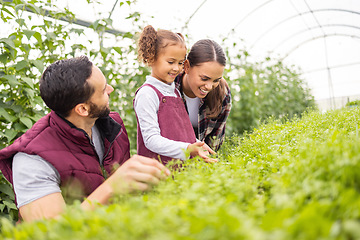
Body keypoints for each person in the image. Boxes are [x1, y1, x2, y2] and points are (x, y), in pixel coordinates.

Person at [0, 56, 170, 222]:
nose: (110, 89)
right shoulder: (32, 159)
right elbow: (49, 232)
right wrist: (112, 187)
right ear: (82, 109)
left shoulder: (111, 125)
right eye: (103, 90)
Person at [134, 25, 216, 165]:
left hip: (180, 170)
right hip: (157, 170)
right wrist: (188, 149)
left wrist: (197, 144)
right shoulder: (147, 94)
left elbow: (181, 131)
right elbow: (151, 140)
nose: (177, 68)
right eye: (171, 62)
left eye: (180, 63)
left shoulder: (174, 92)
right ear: (151, 57)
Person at [174, 39, 232, 151]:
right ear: (187, 67)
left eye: (216, 80)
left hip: (200, 160)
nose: (209, 87)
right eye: (204, 78)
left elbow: (215, 140)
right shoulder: (169, 87)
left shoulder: (222, 92)